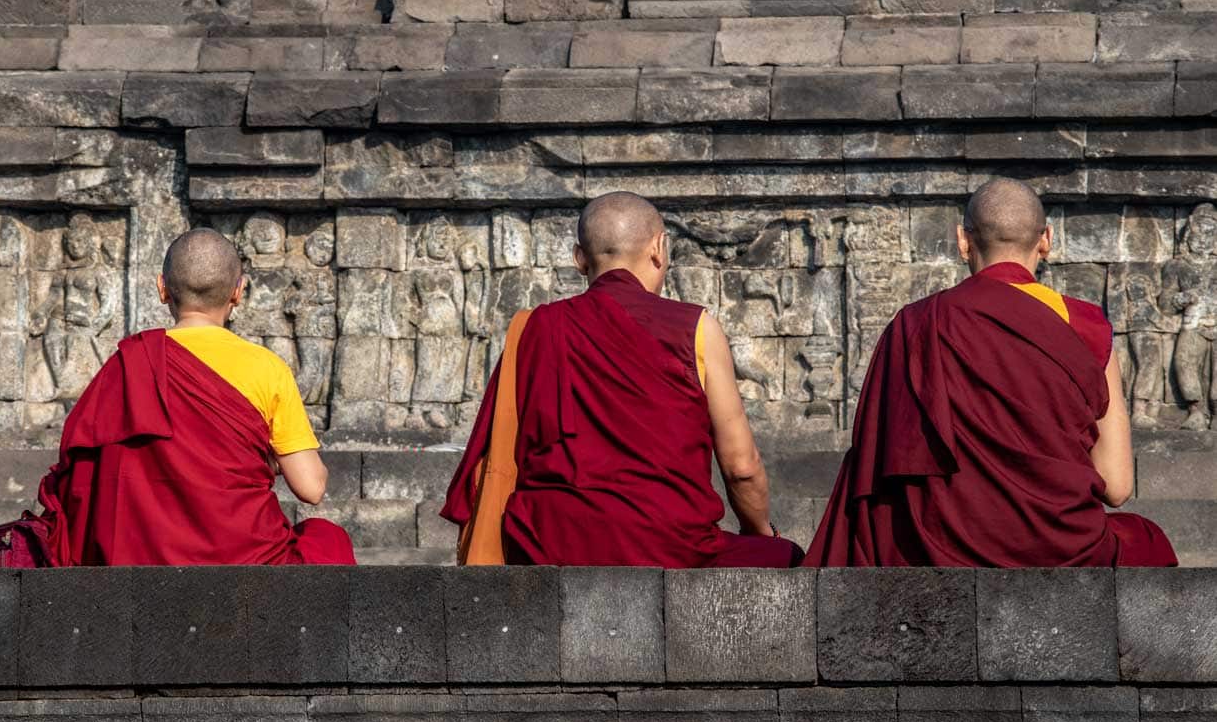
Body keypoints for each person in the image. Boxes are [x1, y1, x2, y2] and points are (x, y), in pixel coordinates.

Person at [803, 178, 1177, 568]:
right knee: (1146, 540)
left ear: (963, 241)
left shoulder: (915, 325)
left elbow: (875, 467)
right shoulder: (1084, 326)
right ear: (1046, 239)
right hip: (1059, 544)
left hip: (934, 547)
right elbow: (1117, 487)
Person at [443, 191, 803, 568]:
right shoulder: (695, 327)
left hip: (548, 541)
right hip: (668, 543)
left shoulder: (534, 329)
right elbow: (741, 467)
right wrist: (761, 533)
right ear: (660, 249)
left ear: (579, 258)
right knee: (785, 557)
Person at [35, 228, 355, 566]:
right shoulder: (267, 368)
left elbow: (81, 470)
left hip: (140, 558)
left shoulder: (127, 365)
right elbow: (311, 488)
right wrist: (268, 462)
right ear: (239, 291)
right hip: (243, 561)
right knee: (327, 539)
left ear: (162, 289)